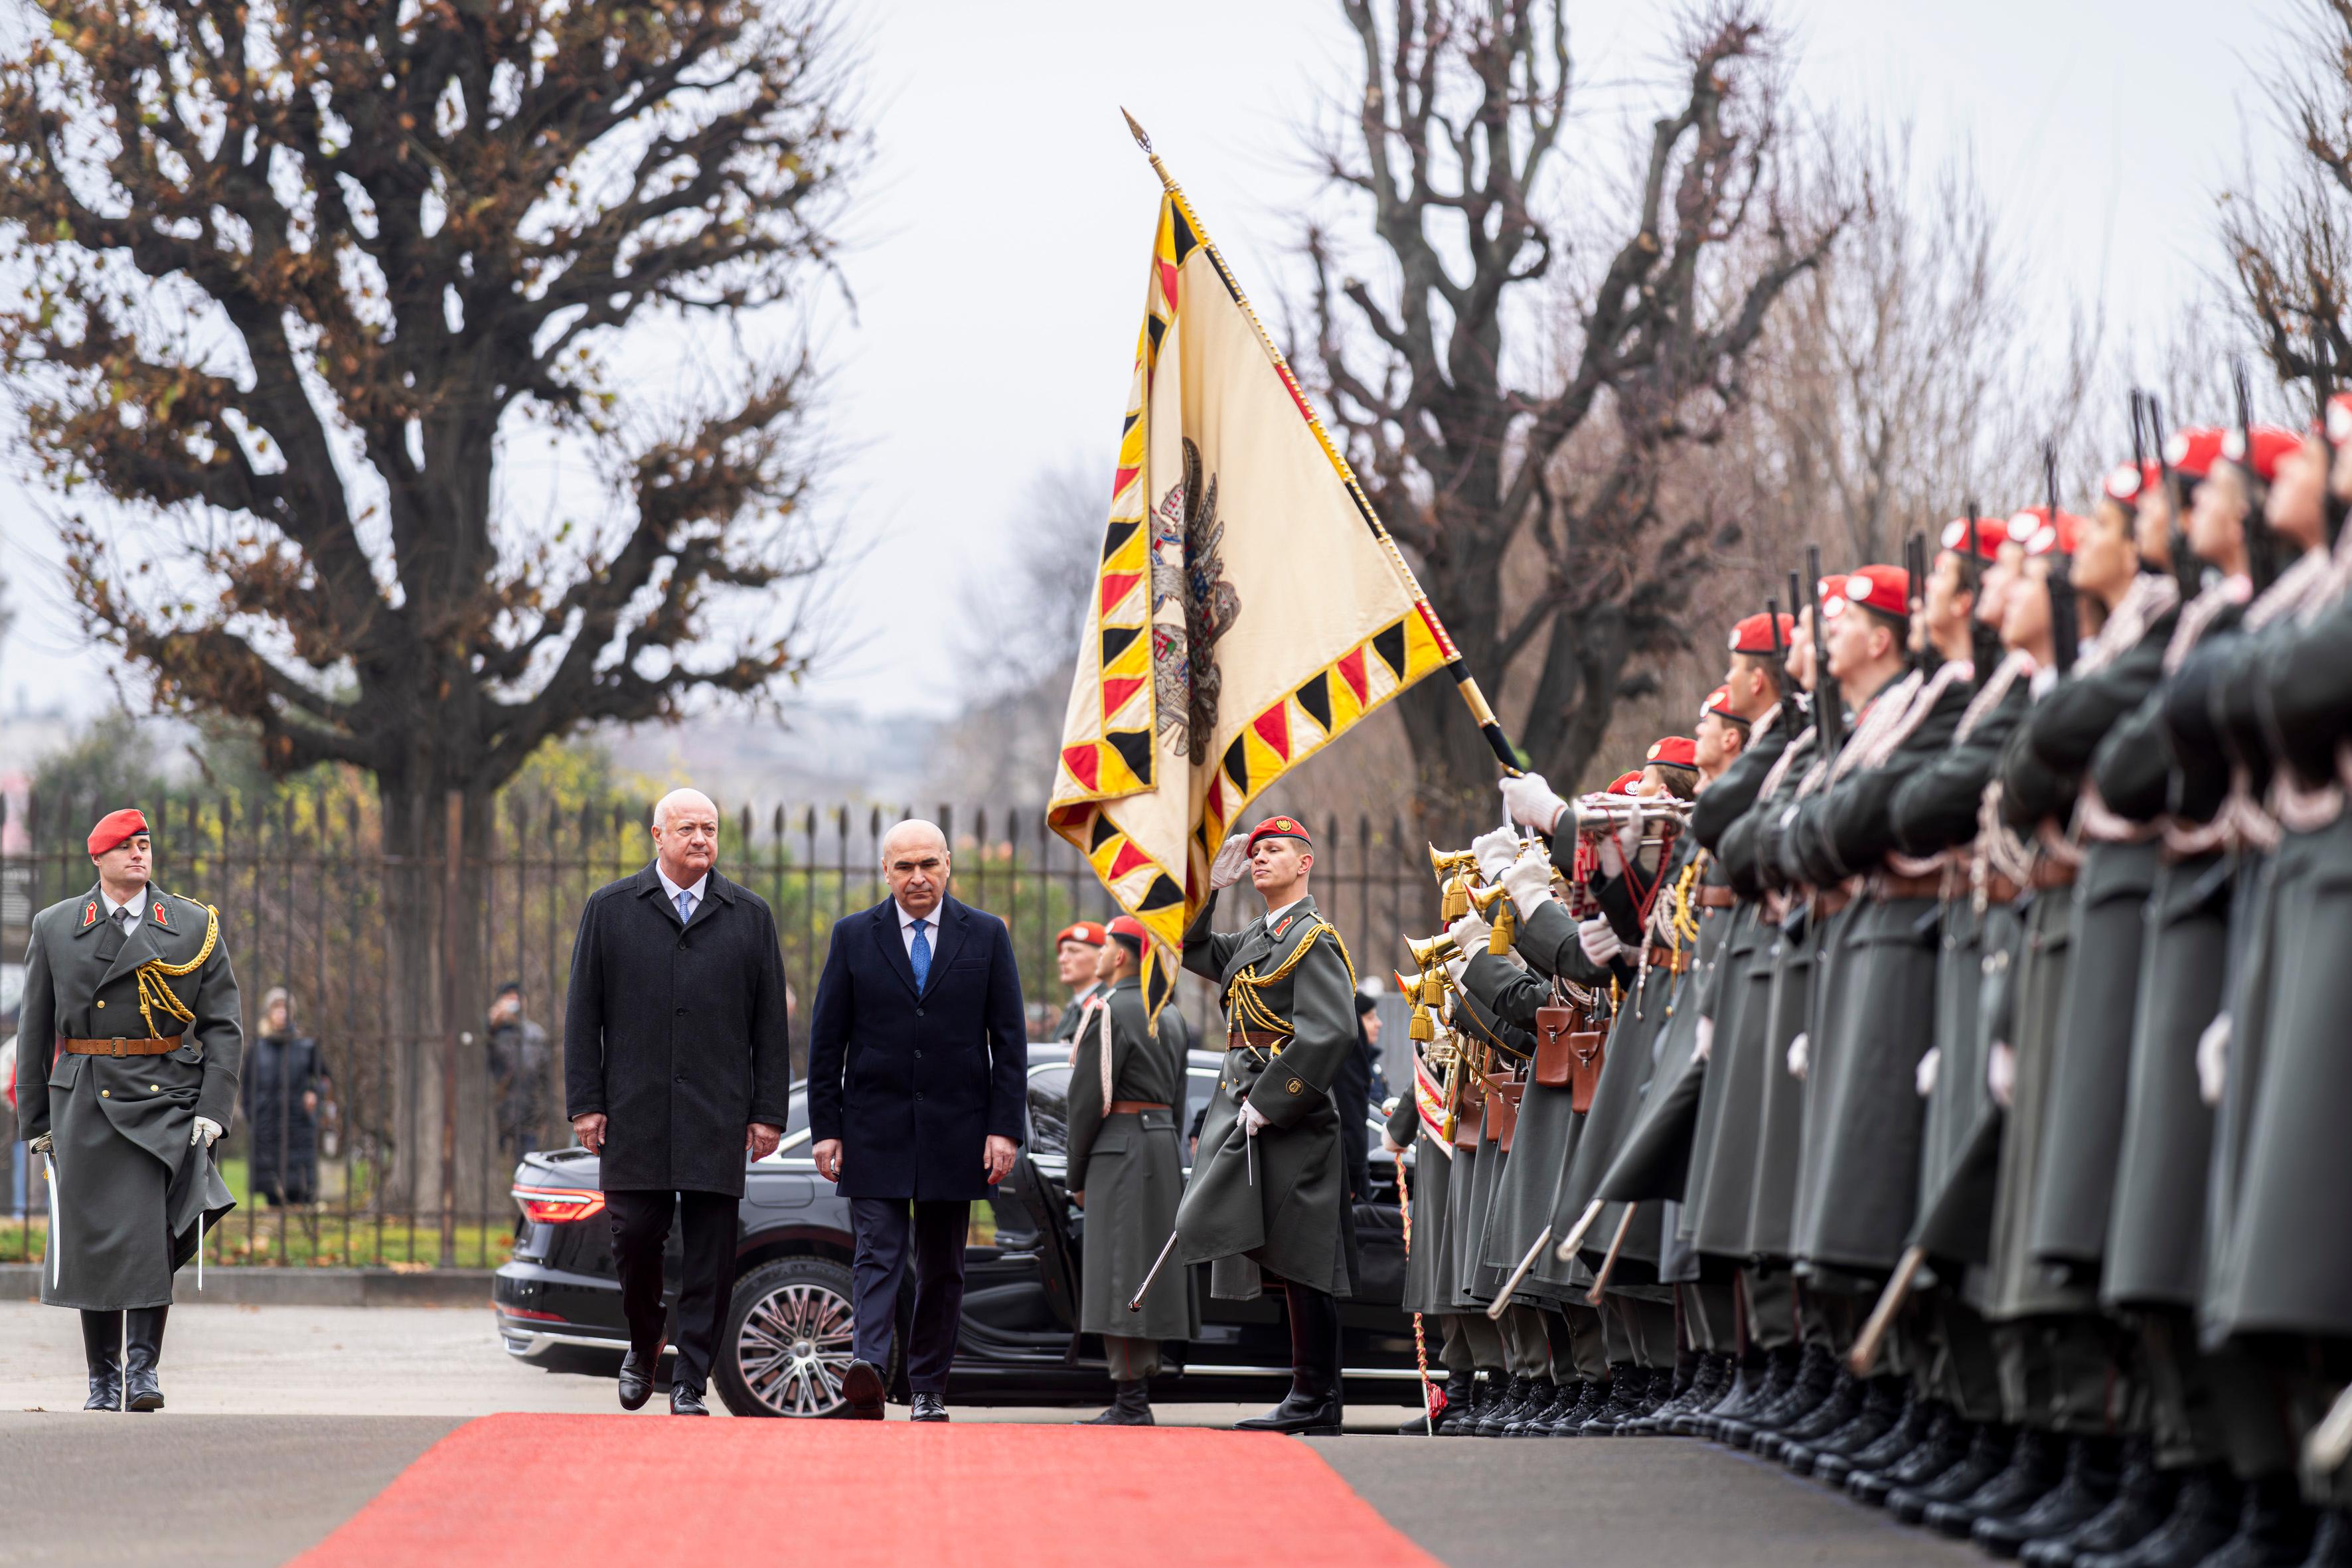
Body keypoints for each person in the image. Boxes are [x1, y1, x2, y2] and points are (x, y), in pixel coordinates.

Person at [563, 787, 791, 1417]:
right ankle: (644, 1339)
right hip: (634, 1110)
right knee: (634, 1235)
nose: (700, 839)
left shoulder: (749, 915)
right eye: (687, 828)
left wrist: (767, 1112)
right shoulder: (610, 909)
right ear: (657, 836)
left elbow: (770, 1025)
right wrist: (586, 1101)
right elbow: (583, 1014)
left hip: (718, 1113)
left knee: (712, 1255)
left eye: (710, 829)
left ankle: (691, 1379)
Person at [13, 808, 241, 1411]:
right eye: (125, 847)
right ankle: (102, 1378)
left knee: (149, 1236)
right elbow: (35, 1034)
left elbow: (224, 1026)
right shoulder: (58, 926)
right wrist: (36, 1124)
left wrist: (213, 1107)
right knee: (94, 1241)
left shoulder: (193, 925)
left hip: (162, 1094)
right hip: (85, 1098)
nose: (139, 855)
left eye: (144, 845)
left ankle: (143, 1373)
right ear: (99, 859)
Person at [807, 818, 1028, 1423]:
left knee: (942, 1265)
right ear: (885, 872)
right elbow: (827, 1043)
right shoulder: (854, 936)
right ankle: (870, 1370)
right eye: (903, 867)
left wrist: (1004, 1128)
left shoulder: (985, 935)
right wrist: (826, 1126)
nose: (917, 878)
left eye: (928, 864)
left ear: (948, 865)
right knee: (876, 1254)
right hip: (873, 1131)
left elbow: (1009, 1043)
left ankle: (928, 1386)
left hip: (958, 1134)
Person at [1174, 815, 1360, 1435]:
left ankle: (1316, 1398)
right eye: (1254, 854)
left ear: (1304, 863)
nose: (1259, 860)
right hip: (1251, 1108)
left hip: (1292, 1117)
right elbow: (1191, 948)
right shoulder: (1260, 934)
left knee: (1305, 1259)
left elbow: (1331, 1032)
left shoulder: (1313, 938)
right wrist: (1208, 891)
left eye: (1274, 851)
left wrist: (1275, 1100)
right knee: (1280, 1258)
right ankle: (1307, 1394)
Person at [1065, 915, 1198, 1425]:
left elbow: (1087, 1102)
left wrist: (1075, 1175)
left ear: (1121, 956)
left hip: (1118, 1150)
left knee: (1119, 1271)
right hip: (1161, 1148)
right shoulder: (1171, 1014)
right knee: (1147, 1271)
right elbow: (1179, 1100)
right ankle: (1137, 1391)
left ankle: (1130, 1402)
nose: (1098, 953)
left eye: (1104, 945)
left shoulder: (1108, 1009)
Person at [244, 987, 326, 1207]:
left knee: (299, 1186)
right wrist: (254, 1117)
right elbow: (247, 1089)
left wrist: (314, 1094)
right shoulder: (257, 1048)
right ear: (268, 1013)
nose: (281, 1014)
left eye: (285, 1009)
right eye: (276, 1008)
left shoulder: (306, 1047)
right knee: (272, 1186)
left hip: (297, 1124)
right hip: (267, 1127)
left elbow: (323, 1079)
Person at [487, 982, 551, 1162]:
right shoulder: (491, 1031)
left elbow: (545, 1077)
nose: (514, 1001)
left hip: (528, 1116)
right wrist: (490, 1024)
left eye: (518, 997)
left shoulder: (536, 1034)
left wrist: (542, 1114)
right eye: (508, 997)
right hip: (496, 1116)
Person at [1050, 921, 1109, 1042]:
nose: (1062, 959)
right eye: (1061, 952)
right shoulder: (1074, 1007)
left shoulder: (1105, 1006)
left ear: (1101, 956)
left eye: (1073, 951)